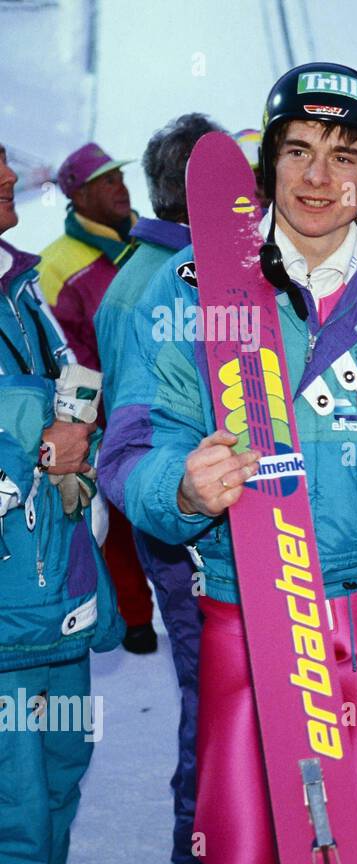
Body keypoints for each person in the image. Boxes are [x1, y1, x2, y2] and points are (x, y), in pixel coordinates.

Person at [99, 62, 357, 864]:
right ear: (266, 162)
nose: (317, 177)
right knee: (241, 855)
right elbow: (132, 440)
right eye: (297, 151)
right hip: (244, 604)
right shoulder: (190, 282)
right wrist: (181, 489)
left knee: (352, 842)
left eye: (344, 157)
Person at [92, 112, 222, 864]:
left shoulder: (159, 268)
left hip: (196, 515)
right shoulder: (162, 283)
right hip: (189, 526)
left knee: (219, 695)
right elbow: (138, 436)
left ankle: (220, 858)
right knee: (214, 699)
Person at [0, 140, 124, 864]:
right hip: (9, 617)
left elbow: (68, 400)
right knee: (13, 806)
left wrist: (82, 463)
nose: (12, 175)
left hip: (59, 601)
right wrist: (37, 441)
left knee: (57, 776)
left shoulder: (19, 282)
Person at [38, 142, 156, 655]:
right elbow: (65, 354)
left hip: (170, 400)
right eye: (105, 181)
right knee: (121, 518)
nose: (119, 187)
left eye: (119, 176)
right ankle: (134, 616)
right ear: (78, 195)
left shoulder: (152, 238)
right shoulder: (54, 263)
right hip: (110, 412)